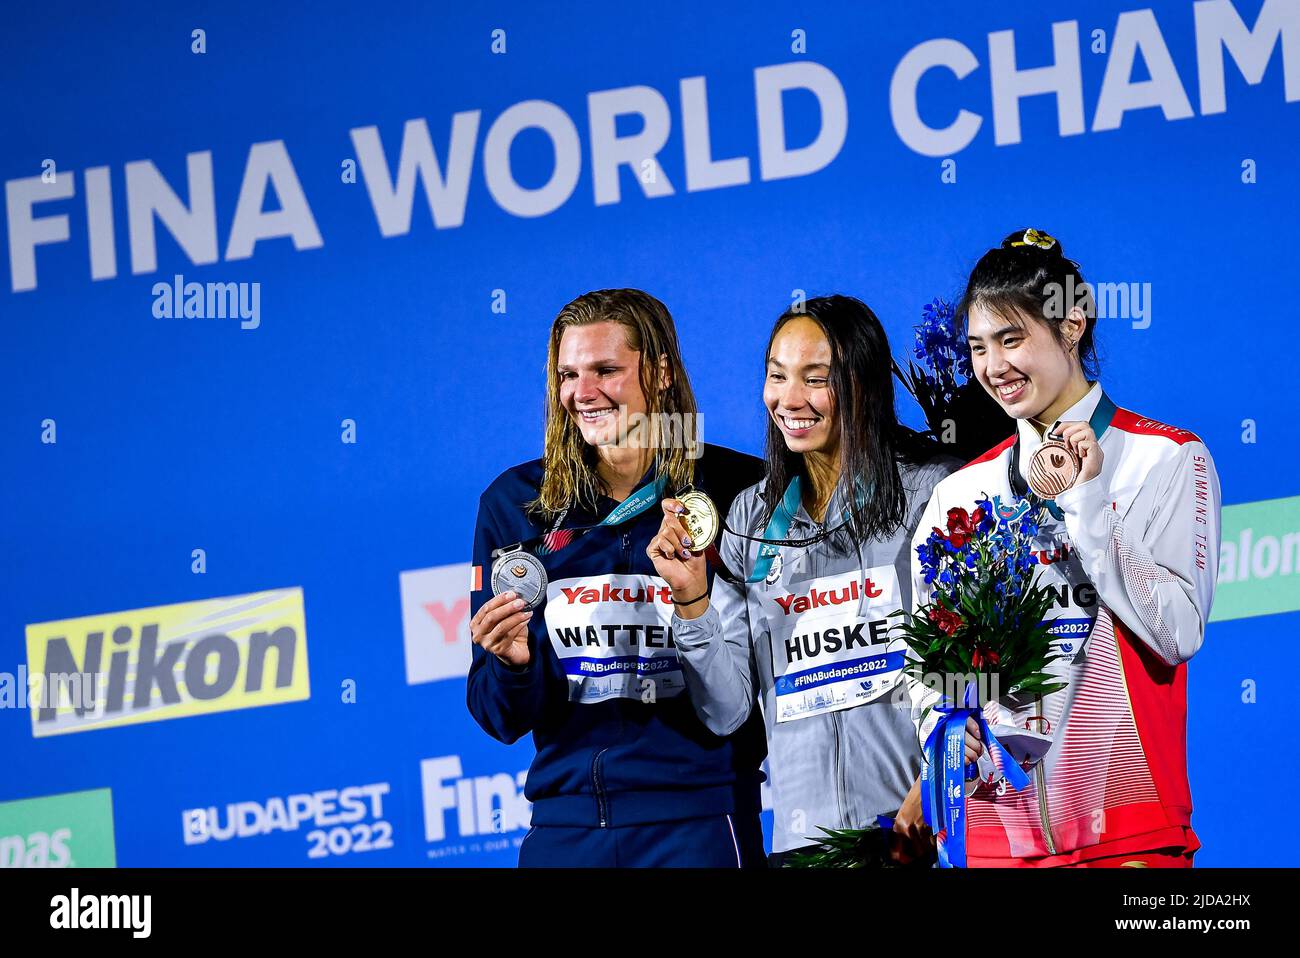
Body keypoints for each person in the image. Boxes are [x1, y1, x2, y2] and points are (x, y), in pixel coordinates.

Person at [912, 228, 1222, 867]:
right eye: (977, 348)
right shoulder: (961, 493)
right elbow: (927, 655)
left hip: (1128, 827)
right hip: (1000, 836)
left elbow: (1178, 632)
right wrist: (942, 726)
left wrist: (1086, 510)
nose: (993, 367)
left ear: (1072, 324)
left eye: (1012, 338)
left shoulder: (1166, 458)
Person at [649, 294, 976, 866]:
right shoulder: (751, 522)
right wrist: (693, 601)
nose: (788, 399)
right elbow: (727, 711)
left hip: (924, 834)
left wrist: (936, 789)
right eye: (776, 376)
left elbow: (980, 668)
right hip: (805, 849)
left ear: (862, 385)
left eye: (815, 378)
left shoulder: (933, 494)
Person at [467, 288, 767, 867]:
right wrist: (512, 667)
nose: (583, 393)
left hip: (700, 822)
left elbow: (755, 689)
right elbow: (495, 714)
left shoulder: (737, 489)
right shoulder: (515, 506)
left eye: (605, 370)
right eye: (568, 374)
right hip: (566, 827)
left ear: (658, 373)